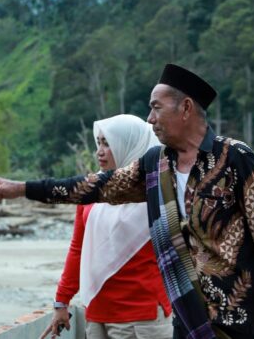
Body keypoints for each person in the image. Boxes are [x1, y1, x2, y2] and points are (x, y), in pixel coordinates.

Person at [0, 64, 254, 339]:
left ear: (185, 108)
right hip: (187, 316)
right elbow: (94, 187)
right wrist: (21, 188)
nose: (150, 118)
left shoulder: (235, 158)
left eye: (156, 107)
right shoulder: (156, 165)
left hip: (238, 316)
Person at [41, 114, 172, 339]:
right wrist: (61, 301)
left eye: (108, 143)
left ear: (129, 145)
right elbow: (78, 250)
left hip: (142, 316)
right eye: (99, 143)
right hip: (97, 312)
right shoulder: (92, 192)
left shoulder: (155, 192)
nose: (99, 151)